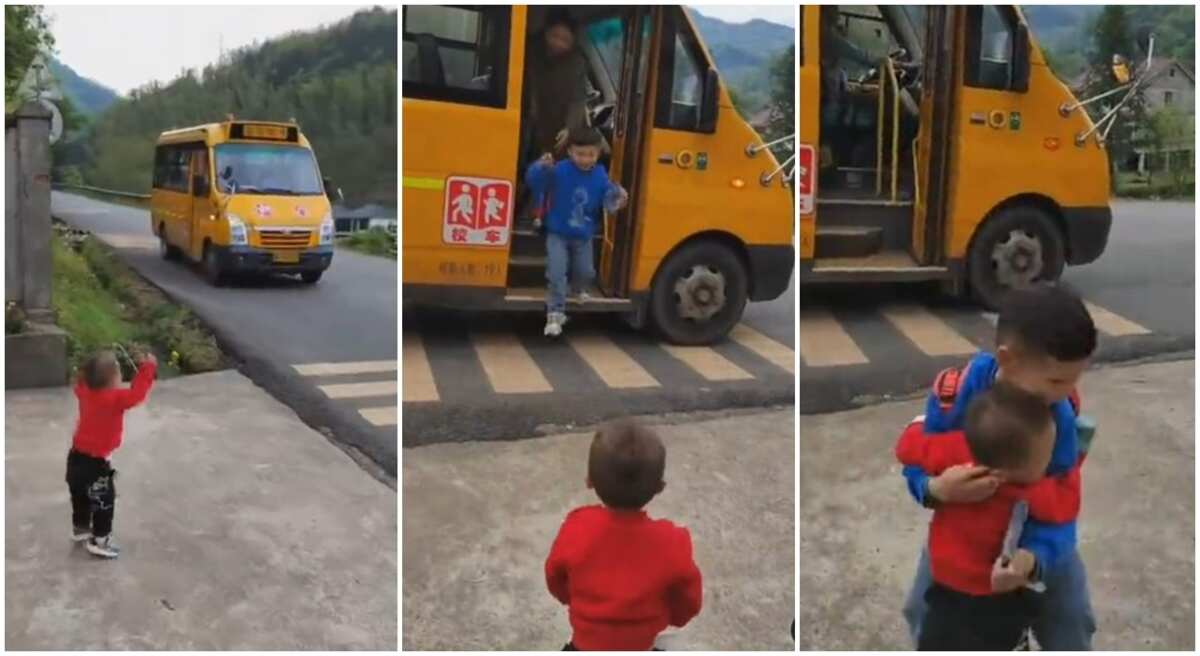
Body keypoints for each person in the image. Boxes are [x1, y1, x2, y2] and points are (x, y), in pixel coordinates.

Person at [900, 284, 1099, 649]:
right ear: (1008, 360)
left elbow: (1062, 504)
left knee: (1070, 621)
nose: (1067, 391)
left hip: (1033, 536)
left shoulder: (1061, 416)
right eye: (1057, 379)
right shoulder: (953, 398)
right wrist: (935, 490)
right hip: (961, 537)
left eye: (1075, 378)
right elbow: (914, 464)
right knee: (920, 610)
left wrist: (1033, 556)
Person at [896, 382, 1083, 649]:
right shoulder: (1032, 487)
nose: (1056, 464)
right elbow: (1065, 504)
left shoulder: (963, 448)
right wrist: (934, 489)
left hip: (971, 586)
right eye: (1046, 459)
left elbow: (910, 445)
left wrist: (1032, 558)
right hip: (977, 590)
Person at [545, 418, 702, 650]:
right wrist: (672, 618)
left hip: (584, 644)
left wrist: (574, 600)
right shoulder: (673, 542)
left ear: (589, 481)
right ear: (659, 487)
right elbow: (689, 601)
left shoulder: (576, 526)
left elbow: (555, 577)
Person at [525, 127, 627, 337]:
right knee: (556, 272)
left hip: (583, 236)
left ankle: (579, 288)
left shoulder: (600, 174)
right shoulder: (559, 170)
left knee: (586, 272)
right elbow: (534, 182)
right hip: (557, 233)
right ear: (570, 152)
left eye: (590, 154)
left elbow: (609, 199)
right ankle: (555, 313)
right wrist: (540, 167)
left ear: (598, 153)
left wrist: (618, 196)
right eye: (580, 154)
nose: (585, 159)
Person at [68, 350, 158, 558]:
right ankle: (100, 540)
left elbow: (80, 380)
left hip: (75, 458)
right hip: (96, 463)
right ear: (112, 380)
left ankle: (80, 528)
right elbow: (138, 394)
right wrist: (148, 368)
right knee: (103, 501)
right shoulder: (115, 398)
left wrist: (83, 372)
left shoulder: (84, 391)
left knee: (80, 495)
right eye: (118, 373)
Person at [526, 9, 592, 159]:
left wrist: (569, 128)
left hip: (556, 123)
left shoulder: (577, 64)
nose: (558, 43)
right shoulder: (528, 50)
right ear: (546, 33)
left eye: (565, 40)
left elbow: (578, 99)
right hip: (526, 117)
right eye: (555, 36)